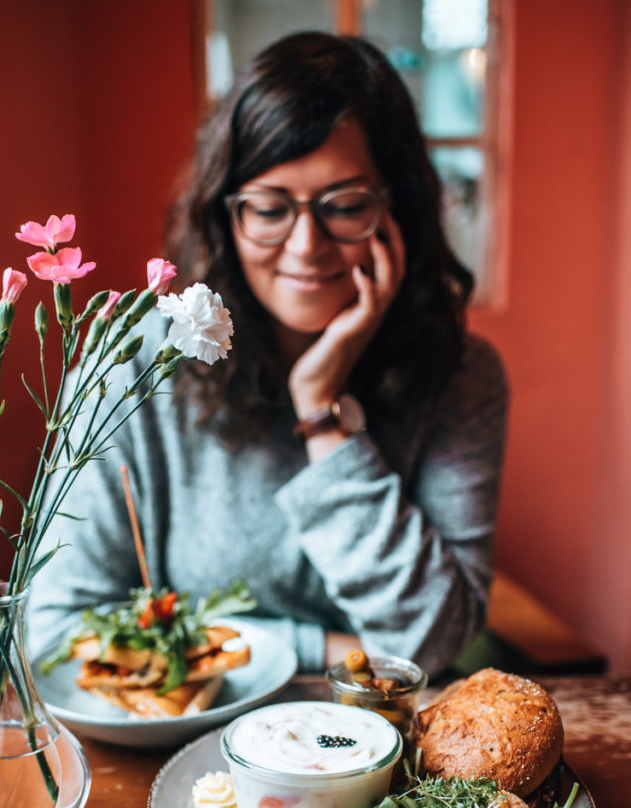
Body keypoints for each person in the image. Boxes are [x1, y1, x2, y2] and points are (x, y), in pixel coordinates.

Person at [28, 31, 508, 678]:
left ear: (399, 210)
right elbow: (56, 631)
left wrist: (322, 414)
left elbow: (428, 641)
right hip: (189, 729)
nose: (306, 245)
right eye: (269, 208)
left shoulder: (462, 376)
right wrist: (318, 650)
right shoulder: (131, 368)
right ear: (225, 217)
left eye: (345, 206)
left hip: (382, 731)